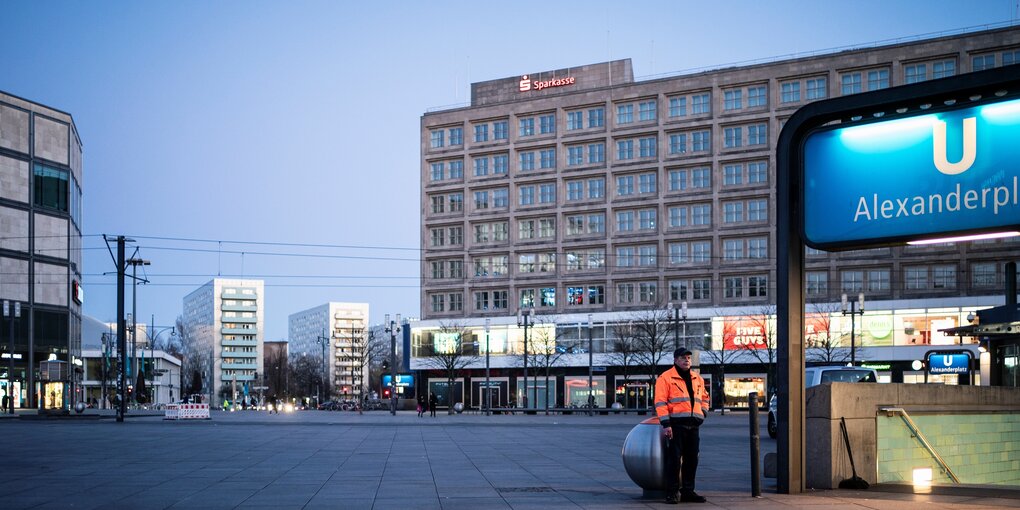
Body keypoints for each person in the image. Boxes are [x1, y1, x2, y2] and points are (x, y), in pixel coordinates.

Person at [655, 348, 710, 504]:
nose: (687, 360)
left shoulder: (697, 378)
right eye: (683, 358)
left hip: (694, 425)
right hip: (676, 425)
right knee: (674, 460)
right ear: (675, 360)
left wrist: (703, 413)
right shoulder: (665, 378)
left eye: (688, 358)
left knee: (692, 460)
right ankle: (671, 493)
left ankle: (687, 491)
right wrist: (666, 424)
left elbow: (705, 397)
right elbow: (660, 402)